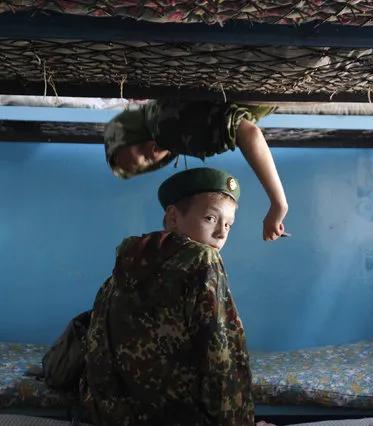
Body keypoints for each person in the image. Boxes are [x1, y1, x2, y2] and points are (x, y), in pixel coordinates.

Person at [82, 167, 257, 426]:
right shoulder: (203, 259)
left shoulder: (127, 265)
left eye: (228, 224)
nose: (221, 233)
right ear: (173, 217)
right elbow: (223, 355)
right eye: (211, 218)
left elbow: (96, 348)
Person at [103, 99, 289, 241]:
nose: (222, 233)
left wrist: (278, 204)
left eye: (139, 148)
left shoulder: (166, 130)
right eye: (147, 162)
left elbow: (248, 132)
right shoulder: (157, 108)